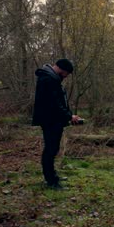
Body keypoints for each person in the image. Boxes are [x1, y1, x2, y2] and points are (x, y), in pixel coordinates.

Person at [32, 58, 80, 189]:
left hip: (53, 120)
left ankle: (51, 176)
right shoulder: (48, 79)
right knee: (51, 149)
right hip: (50, 121)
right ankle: (51, 180)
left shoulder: (51, 78)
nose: (66, 76)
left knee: (52, 149)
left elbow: (58, 102)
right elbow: (54, 104)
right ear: (61, 69)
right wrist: (70, 116)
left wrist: (68, 116)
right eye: (66, 73)